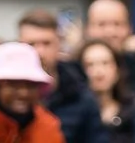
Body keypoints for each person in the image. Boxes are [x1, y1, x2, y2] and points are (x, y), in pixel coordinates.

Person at [17, 10, 109, 143]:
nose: (40, 52)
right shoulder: (6, 96)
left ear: (58, 44)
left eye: (46, 43)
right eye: (31, 44)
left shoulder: (81, 97)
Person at [77, 40, 135, 143]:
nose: (99, 71)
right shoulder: (73, 114)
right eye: (90, 65)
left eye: (105, 63)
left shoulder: (134, 110)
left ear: (117, 70)